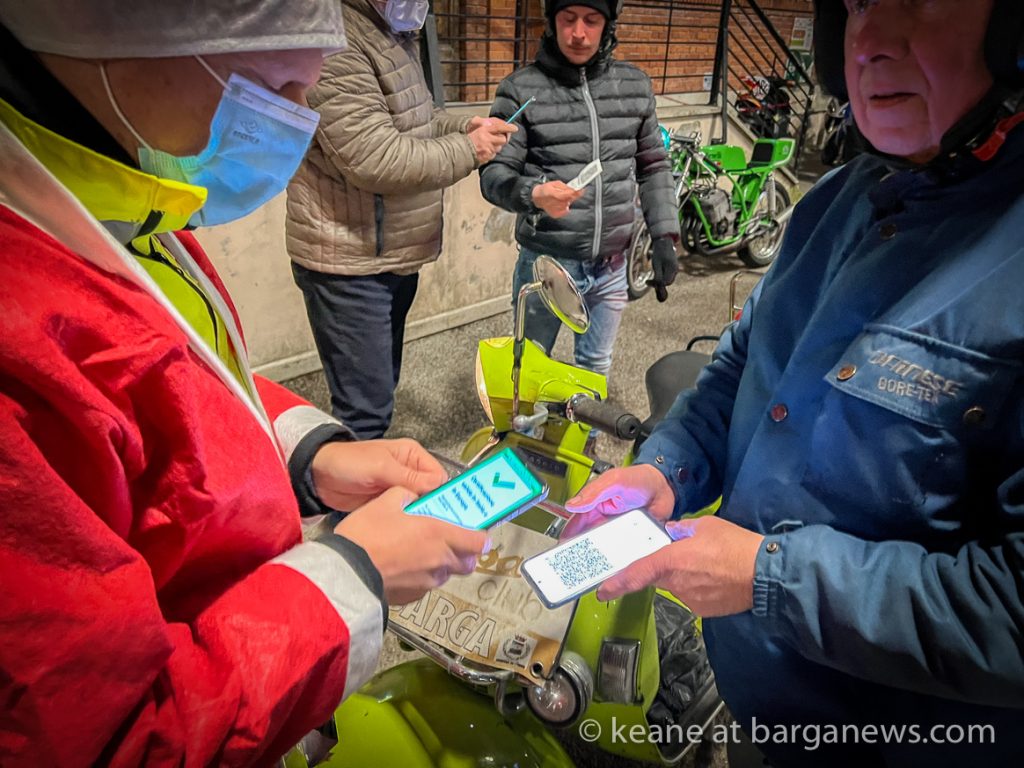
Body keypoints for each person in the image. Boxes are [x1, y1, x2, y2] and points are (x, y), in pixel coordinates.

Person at [0, 2, 488, 764]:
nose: (298, 124)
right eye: (277, 85)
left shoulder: (121, 197)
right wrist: (353, 573)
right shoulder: (21, 326)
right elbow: (119, 740)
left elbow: (190, 378)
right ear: (130, 34)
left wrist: (307, 451)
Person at [565, 0, 1024, 765]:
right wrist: (663, 470)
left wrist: (769, 578)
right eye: (856, 5)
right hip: (763, 705)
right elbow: (741, 364)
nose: (871, 40)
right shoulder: (836, 201)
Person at [287, 0, 516, 440]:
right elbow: (376, 157)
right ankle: (348, 504)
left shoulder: (391, 33)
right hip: (348, 264)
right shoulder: (335, 39)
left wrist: (461, 126)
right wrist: (471, 149)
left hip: (388, 254)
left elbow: (417, 121)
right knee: (364, 414)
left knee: (379, 390)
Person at [479, 0, 679, 378]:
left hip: (612, 267)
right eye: (568, 19)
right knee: (531, 373)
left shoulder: (635, 87)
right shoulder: (521, 89)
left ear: (608, 25)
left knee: (593, 370)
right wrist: (535, 193)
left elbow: (654, 166)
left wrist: (664, 235)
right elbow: (493, 175)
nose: (579, 33)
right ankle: (527, 439)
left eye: (591, 20)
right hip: (547, 266)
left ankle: (583, 439)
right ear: (552, 23)